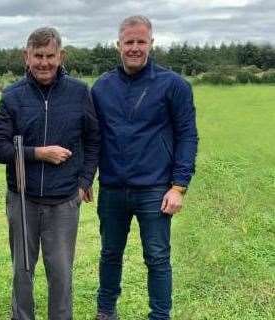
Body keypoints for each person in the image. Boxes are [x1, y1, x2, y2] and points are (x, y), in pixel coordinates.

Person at [91, 16, 198, 320]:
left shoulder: (173, 85)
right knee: (110, 254)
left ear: (151, 43)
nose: (134, 48)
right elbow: (92, 137)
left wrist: (178, 186)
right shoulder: (102, 87)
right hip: (112, 188)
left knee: (157, 257)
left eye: (141, 42)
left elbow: (188, 136)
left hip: (155, 189)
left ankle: (159, 315)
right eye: (129, 42)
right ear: (118, 45)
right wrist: (86, 177)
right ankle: (106, 311)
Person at [0, 27, 100, 320]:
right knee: (22, 272)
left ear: (60, 56)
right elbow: (0, 148)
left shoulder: (79, 92)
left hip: (64, 201)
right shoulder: (12, 95)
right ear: (26, 57)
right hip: (22, 199)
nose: (44, 62)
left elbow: (93, 140)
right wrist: (38, 153)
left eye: (49, 56)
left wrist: (84, 182)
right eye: (37, 56)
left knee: (61, 273)